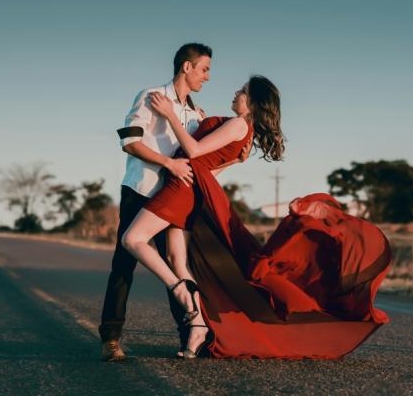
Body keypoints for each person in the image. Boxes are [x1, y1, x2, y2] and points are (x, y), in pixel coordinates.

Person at [122, 76, 393, 359]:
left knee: (133, 238)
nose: (236, 93)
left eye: (242, 92)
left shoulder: (239, 123)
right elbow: (211, 168)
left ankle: (182, 293)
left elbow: (193, 151)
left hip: (181, 186)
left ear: (252, 103)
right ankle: (198, 325)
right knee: (177, 260)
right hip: (193, 188)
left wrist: (169, 115)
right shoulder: (245, 134)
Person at [99, 43, 248, 362]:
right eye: (205, 69)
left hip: (174, 197)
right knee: (124, 265)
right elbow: (130, 141)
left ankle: (191, 335)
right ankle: (111, 339)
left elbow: (200, 162)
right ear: (187, 67)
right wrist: (168, 165)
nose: (207, 77)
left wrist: (235, 160)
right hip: (141, 189)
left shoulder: (196, 115)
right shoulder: (152, 96)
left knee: (175, 260)